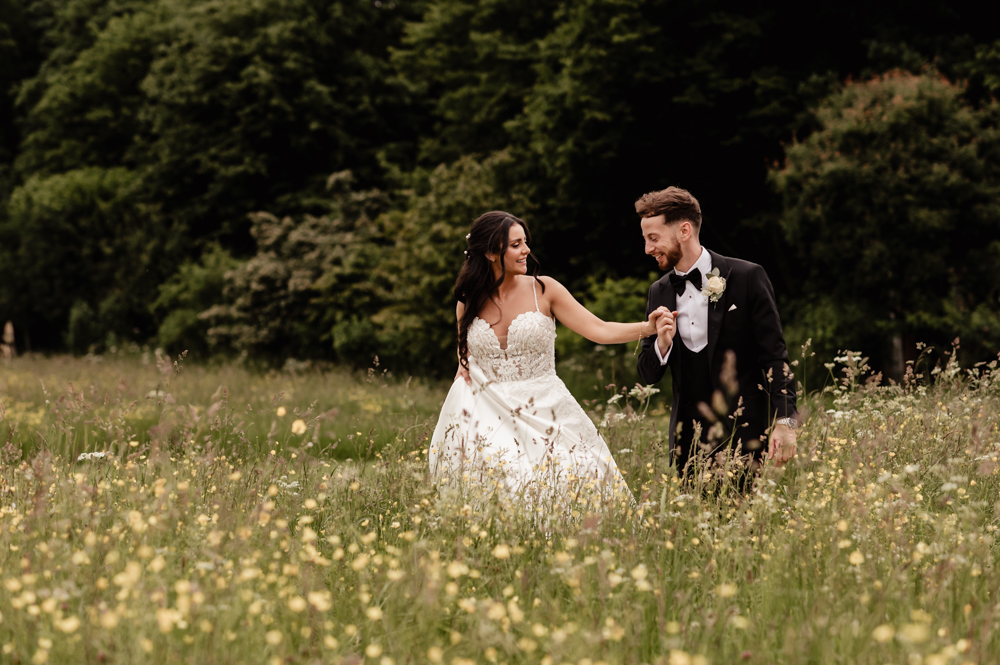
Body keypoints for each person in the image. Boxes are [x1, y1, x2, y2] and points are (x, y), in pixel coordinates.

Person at [429, 211, 661, 503]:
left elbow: (599, 330)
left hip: (547, 408)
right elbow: (464, 356)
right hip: (487, 413)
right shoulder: (468, 300)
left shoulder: (545, 289)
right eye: (515, 244)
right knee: (502, 492)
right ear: (490, 252)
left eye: (524, 242)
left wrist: (649, 327)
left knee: (576, 483)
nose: (526, 250)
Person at [635, 187, 798, 476]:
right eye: (646, 239)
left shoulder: (747, 277)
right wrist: (661, 344)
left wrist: (786, 423)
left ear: (684, 230)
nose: (648, 248)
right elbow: (648, 375)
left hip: (747, 436)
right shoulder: (658, 291)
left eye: (653, 238)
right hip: (690, 443)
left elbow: (775, 356)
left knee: (748, 521)